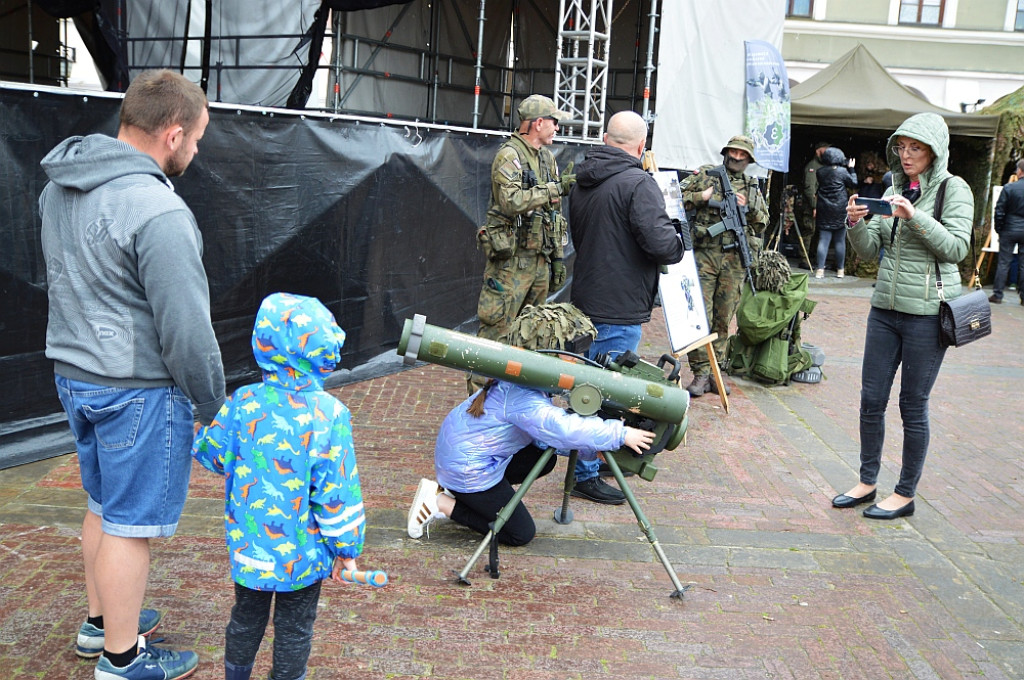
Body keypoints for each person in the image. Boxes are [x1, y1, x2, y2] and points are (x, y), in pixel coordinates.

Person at [39, 69, 225, 680]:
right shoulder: (158, 210)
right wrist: (210, 400)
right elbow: (185, 328)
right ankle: (123, 660)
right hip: (136, 390)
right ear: (172, 135)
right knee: (129, 526)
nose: (196, 151)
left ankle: (101, 627)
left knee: (101, 504)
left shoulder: (58, 188)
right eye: (196, 139)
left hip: (75, 375)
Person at [193, 292, 364, 680]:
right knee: (295, 628)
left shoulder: (243, 402)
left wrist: (200, 437)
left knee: (245, 617)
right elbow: (336, 492)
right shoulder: (331, 415)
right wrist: (346, 549)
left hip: (250, 549)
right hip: (302, 556)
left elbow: (214, 456)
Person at [407, 303, 655, 545]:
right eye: (569, 354)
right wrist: (620, 434)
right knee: (520, 533)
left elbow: (546, 437)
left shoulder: (519, 380)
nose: (576, 361)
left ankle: (470, 498)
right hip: (468, 470)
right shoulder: (523, 397)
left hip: (469, 456)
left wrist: (593, 449)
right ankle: (440, 503)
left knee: (543, 458)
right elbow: (561, 427)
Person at [834, 112, 974, 520]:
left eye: (915, 148)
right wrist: (855, 222)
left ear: (935, 151)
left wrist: (916, 217)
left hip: (927, 315)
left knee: (912, 404)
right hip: (884, 310)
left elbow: (957, 249)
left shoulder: (954, 189)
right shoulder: (894, 186)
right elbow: (867, 249)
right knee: (870, 399)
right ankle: (866, 480)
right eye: (901, 146)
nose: (906, 154)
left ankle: (905, 493)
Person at [567, 110, 684, 503]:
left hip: (586, 296)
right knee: (602, 391)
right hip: (618, 305)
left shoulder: (583, 179)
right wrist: (678, 233)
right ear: (640, 145)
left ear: (604, 138)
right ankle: (584, 472)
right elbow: (663, 245)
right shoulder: (639, 183)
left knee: (589, 384)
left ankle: (590, 458)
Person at [471, 94, 575, 391]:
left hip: (539, 260)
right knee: (496, 337)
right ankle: (477, 409)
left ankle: (515, 406)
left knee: (532, 335)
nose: (557, 128)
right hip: (511, 265)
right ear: (538, 123)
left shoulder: (547, 159)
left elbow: (554, 215)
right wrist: (554, 189)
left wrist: (557, 258)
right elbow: (510, 201)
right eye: (554, 122)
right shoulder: (510, 155)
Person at [681, 135, 769, 397]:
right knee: (701, 317)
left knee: (723, 318)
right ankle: (700, 372)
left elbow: (762, 221)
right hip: (705, 255)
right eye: (734, 152)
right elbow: (674, 197)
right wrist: (701, 196)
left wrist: (749, 207)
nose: (738, 157)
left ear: (749, 159)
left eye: (743, 154)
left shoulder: (752, 186)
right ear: (726, 152)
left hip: (733, 262)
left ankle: (715, 371)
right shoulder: (706, 174)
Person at [813, 146, 858, 279]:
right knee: (839, 241)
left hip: (824, 208)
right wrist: (851, 168)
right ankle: (840, 270)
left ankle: (820, 270)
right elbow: (854, 183)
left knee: (823, 240)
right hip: (840, 209)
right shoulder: (842, 172)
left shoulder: (820, 172)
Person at [988, 159, 1024, 305]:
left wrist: (999, 228)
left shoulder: (1009, 188)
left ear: (1019, 171)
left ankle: (997, 295)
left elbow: (999, 211)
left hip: (1009, 228)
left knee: (1003, 262)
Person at [798, 141, 830, 246]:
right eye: (824, 150)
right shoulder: (812, 167)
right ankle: (804, 259)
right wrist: (814, 206)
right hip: (811, 206)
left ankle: (814, 258)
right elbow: (809, 188)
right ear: (817, 151)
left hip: (822, 205)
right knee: (809, 231)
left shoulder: (824, 166)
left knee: (819, 233)